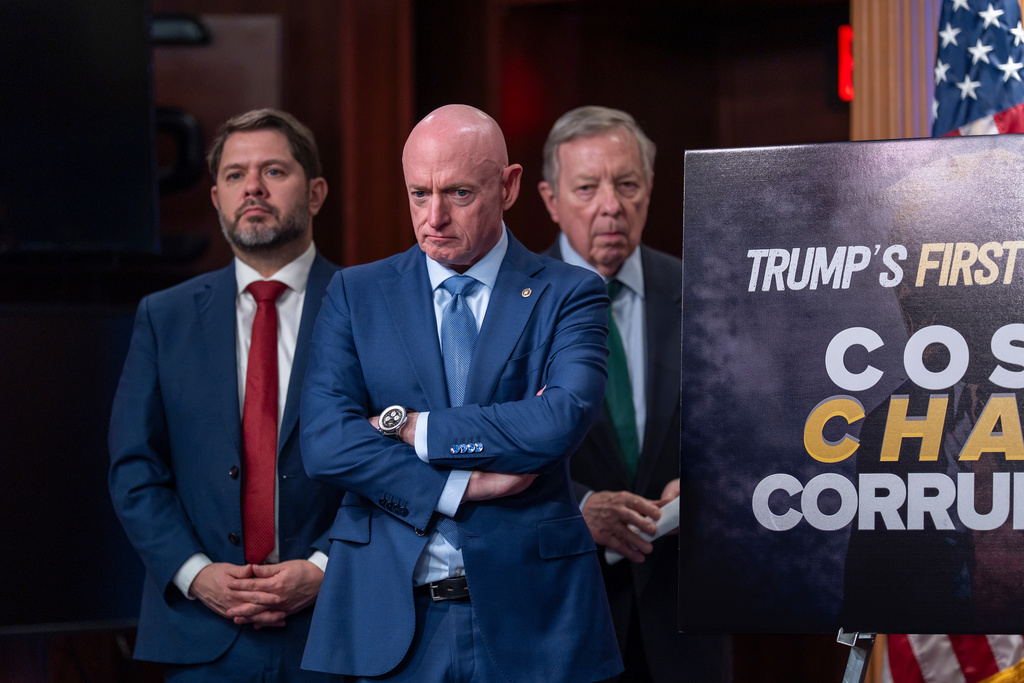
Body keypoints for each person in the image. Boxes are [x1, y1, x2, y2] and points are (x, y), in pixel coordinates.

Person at [299, 104, 622, 682]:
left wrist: (407, 427)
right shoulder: (356, 293)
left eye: (459, 194)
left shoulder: (571, 292)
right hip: (390, 619)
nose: (434, 217)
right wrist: (455, 485)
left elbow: (558, 420)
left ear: (509, 186)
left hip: (536, 618)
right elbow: (325, 442)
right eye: (419, 194)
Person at [108, 108, 344, 681]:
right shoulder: (164, 317)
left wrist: (325, 566)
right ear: (216, 198)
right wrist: (195, 574)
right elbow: (134, 469)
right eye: (236, 176)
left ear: (315, 194)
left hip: (335, 628)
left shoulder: (368, 307)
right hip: (200, 636)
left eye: (273, 171)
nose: (253, 188)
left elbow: (396, 469)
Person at [538, 105, 731, 682]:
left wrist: (707, 483)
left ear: (649, 188)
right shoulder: (509, 306)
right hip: (563, 619)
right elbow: (482, 450)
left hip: (683, 621)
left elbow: (748, 429)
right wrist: (576, 507)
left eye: (626, 184)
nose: (610, 206)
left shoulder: (707, 292)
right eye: (587, 187)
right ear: (550, 199)